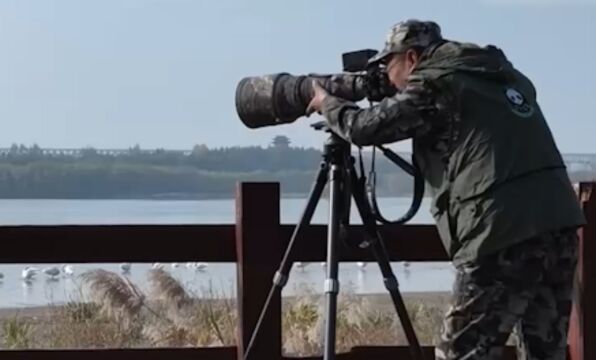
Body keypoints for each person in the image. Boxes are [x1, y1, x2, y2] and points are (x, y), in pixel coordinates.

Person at [306, 19, 586, 360]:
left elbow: (364, 129)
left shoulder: (436, 82)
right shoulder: (500, 75)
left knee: (461, 351)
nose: (387, 81)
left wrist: (327, 102)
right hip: (558, 221)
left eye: (387, 67)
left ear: (411, 58)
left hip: (501, 230)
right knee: (545, 350)